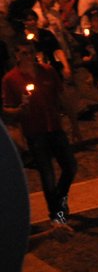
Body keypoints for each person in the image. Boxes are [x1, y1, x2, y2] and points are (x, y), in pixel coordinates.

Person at [2, 44, 77, 229]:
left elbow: (61, 97)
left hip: (55, 127)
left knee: (70, 167)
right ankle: (57, 215)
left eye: (30, 52)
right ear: (16, 56)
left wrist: (74, 125)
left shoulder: (48, 71)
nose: (27, 56)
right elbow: (6, 110)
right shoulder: (10, 79)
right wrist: (20, 109)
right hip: (35, 132)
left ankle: (58, 200)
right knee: (47, 174)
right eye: (23, 52)